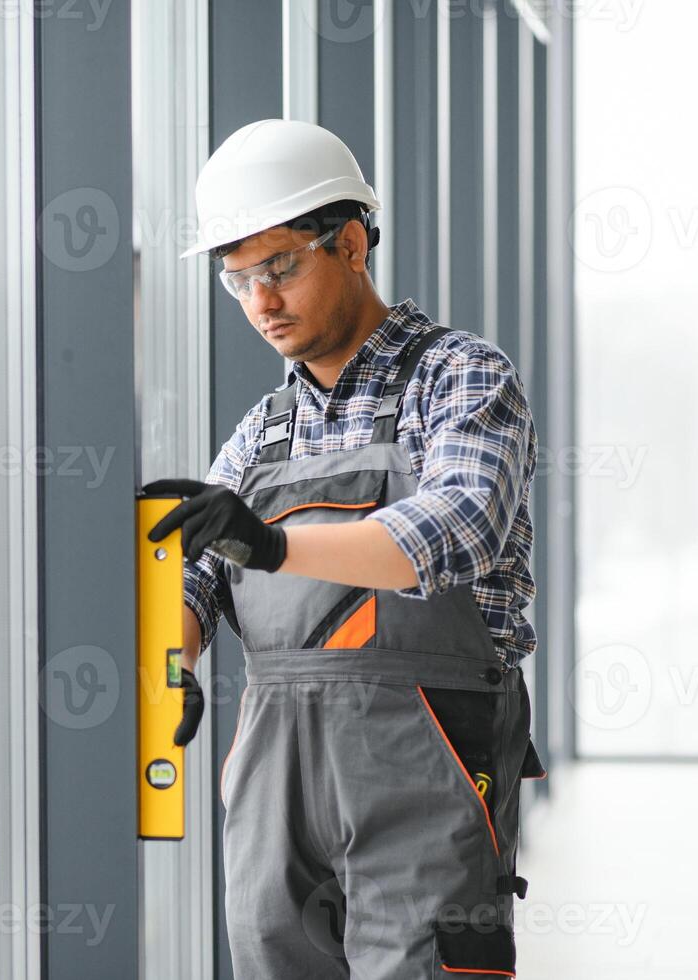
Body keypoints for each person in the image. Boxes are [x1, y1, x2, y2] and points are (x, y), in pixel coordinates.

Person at [145, 119, 547, 979]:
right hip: (274, 771)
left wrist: (274, 545)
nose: (260, 303)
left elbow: (460, 525)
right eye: (237, 279)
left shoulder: (460, 376)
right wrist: (169, 653)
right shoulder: (261, 432)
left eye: (280, 268)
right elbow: (199, 575)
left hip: (428, 758)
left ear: (352, 243)